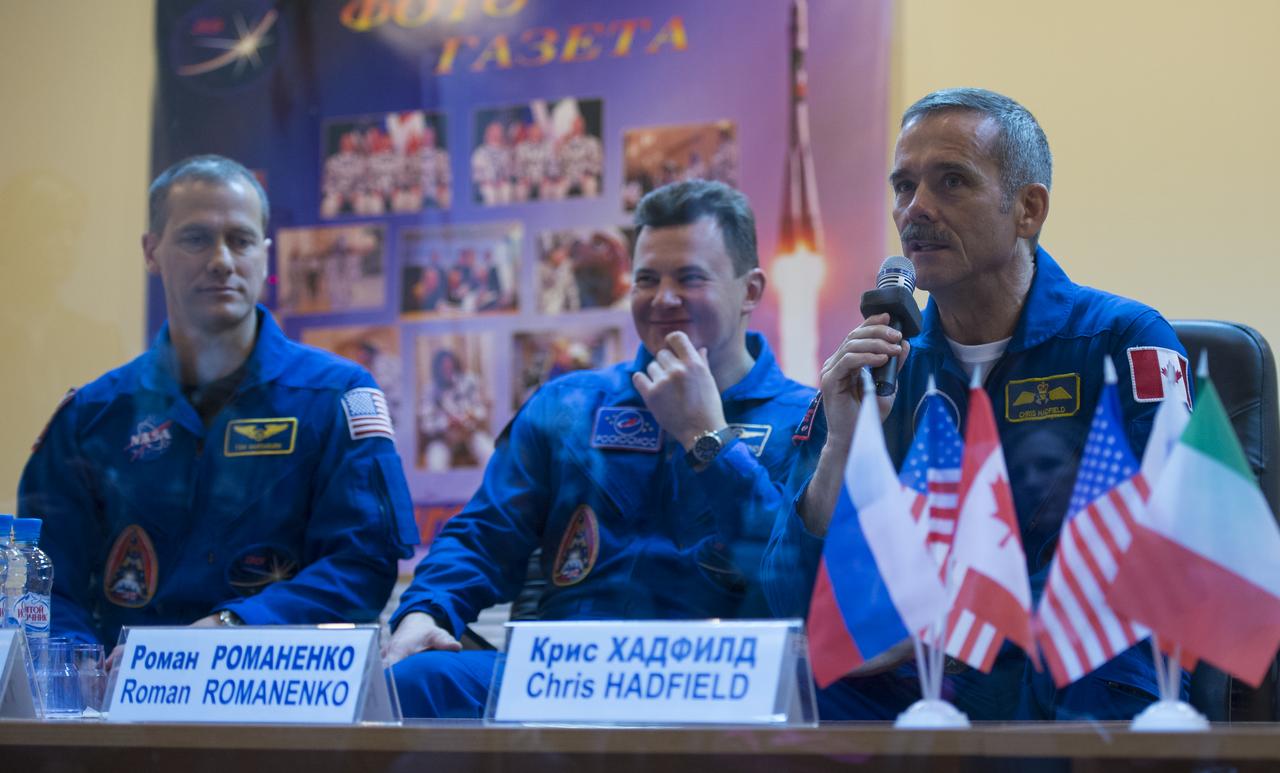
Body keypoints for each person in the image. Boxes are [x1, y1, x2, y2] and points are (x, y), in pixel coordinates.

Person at [764, 88, 1190, 721]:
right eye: (903, 187)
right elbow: (791, 599)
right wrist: (845, 445)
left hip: (1074, 670)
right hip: (925, 680)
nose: (915, 210)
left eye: (952, 182)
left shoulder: (1123, 342)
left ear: (1028, 208)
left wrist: (955, 623)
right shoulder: (881, 367)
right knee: (792, 693)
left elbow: (1160, 543)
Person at [384, 180, 815, 717]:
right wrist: (426, 612)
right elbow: (482, 535)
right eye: (646, 279)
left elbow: (796, 580)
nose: (663, 298)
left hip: (712, 686)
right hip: (565, 679)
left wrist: (708, 437)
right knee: (415, 681)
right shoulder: (569, 407)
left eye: (690, 278)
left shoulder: (807, 421)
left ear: (750, 290)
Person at [17, 155, 419, 647]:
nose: (222, 260)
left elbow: (362, 565)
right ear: (151, 251)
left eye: (241, 239)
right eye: (196, 238)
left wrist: (233, 629)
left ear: (265, 255)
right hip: (122, 703)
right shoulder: (92, 417)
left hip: (281, 693)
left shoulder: (335, 396)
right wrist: (84, 673)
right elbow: (43, 585)